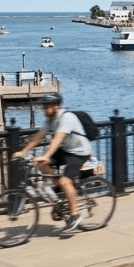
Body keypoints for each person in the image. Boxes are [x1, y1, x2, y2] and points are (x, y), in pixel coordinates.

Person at [11, 94, 90, 233]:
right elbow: (38, 138)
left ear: (56, 106)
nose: (44, 110)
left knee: (65, 181)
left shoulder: (67, 118)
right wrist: (23, 152)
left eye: (46, 107)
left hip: (79, 152)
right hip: (66, 150)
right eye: (43, 107)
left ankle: (74, 215)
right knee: (39, 165)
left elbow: (57, 140)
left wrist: (46, 155)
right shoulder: (50, 120)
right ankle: (60, 193)